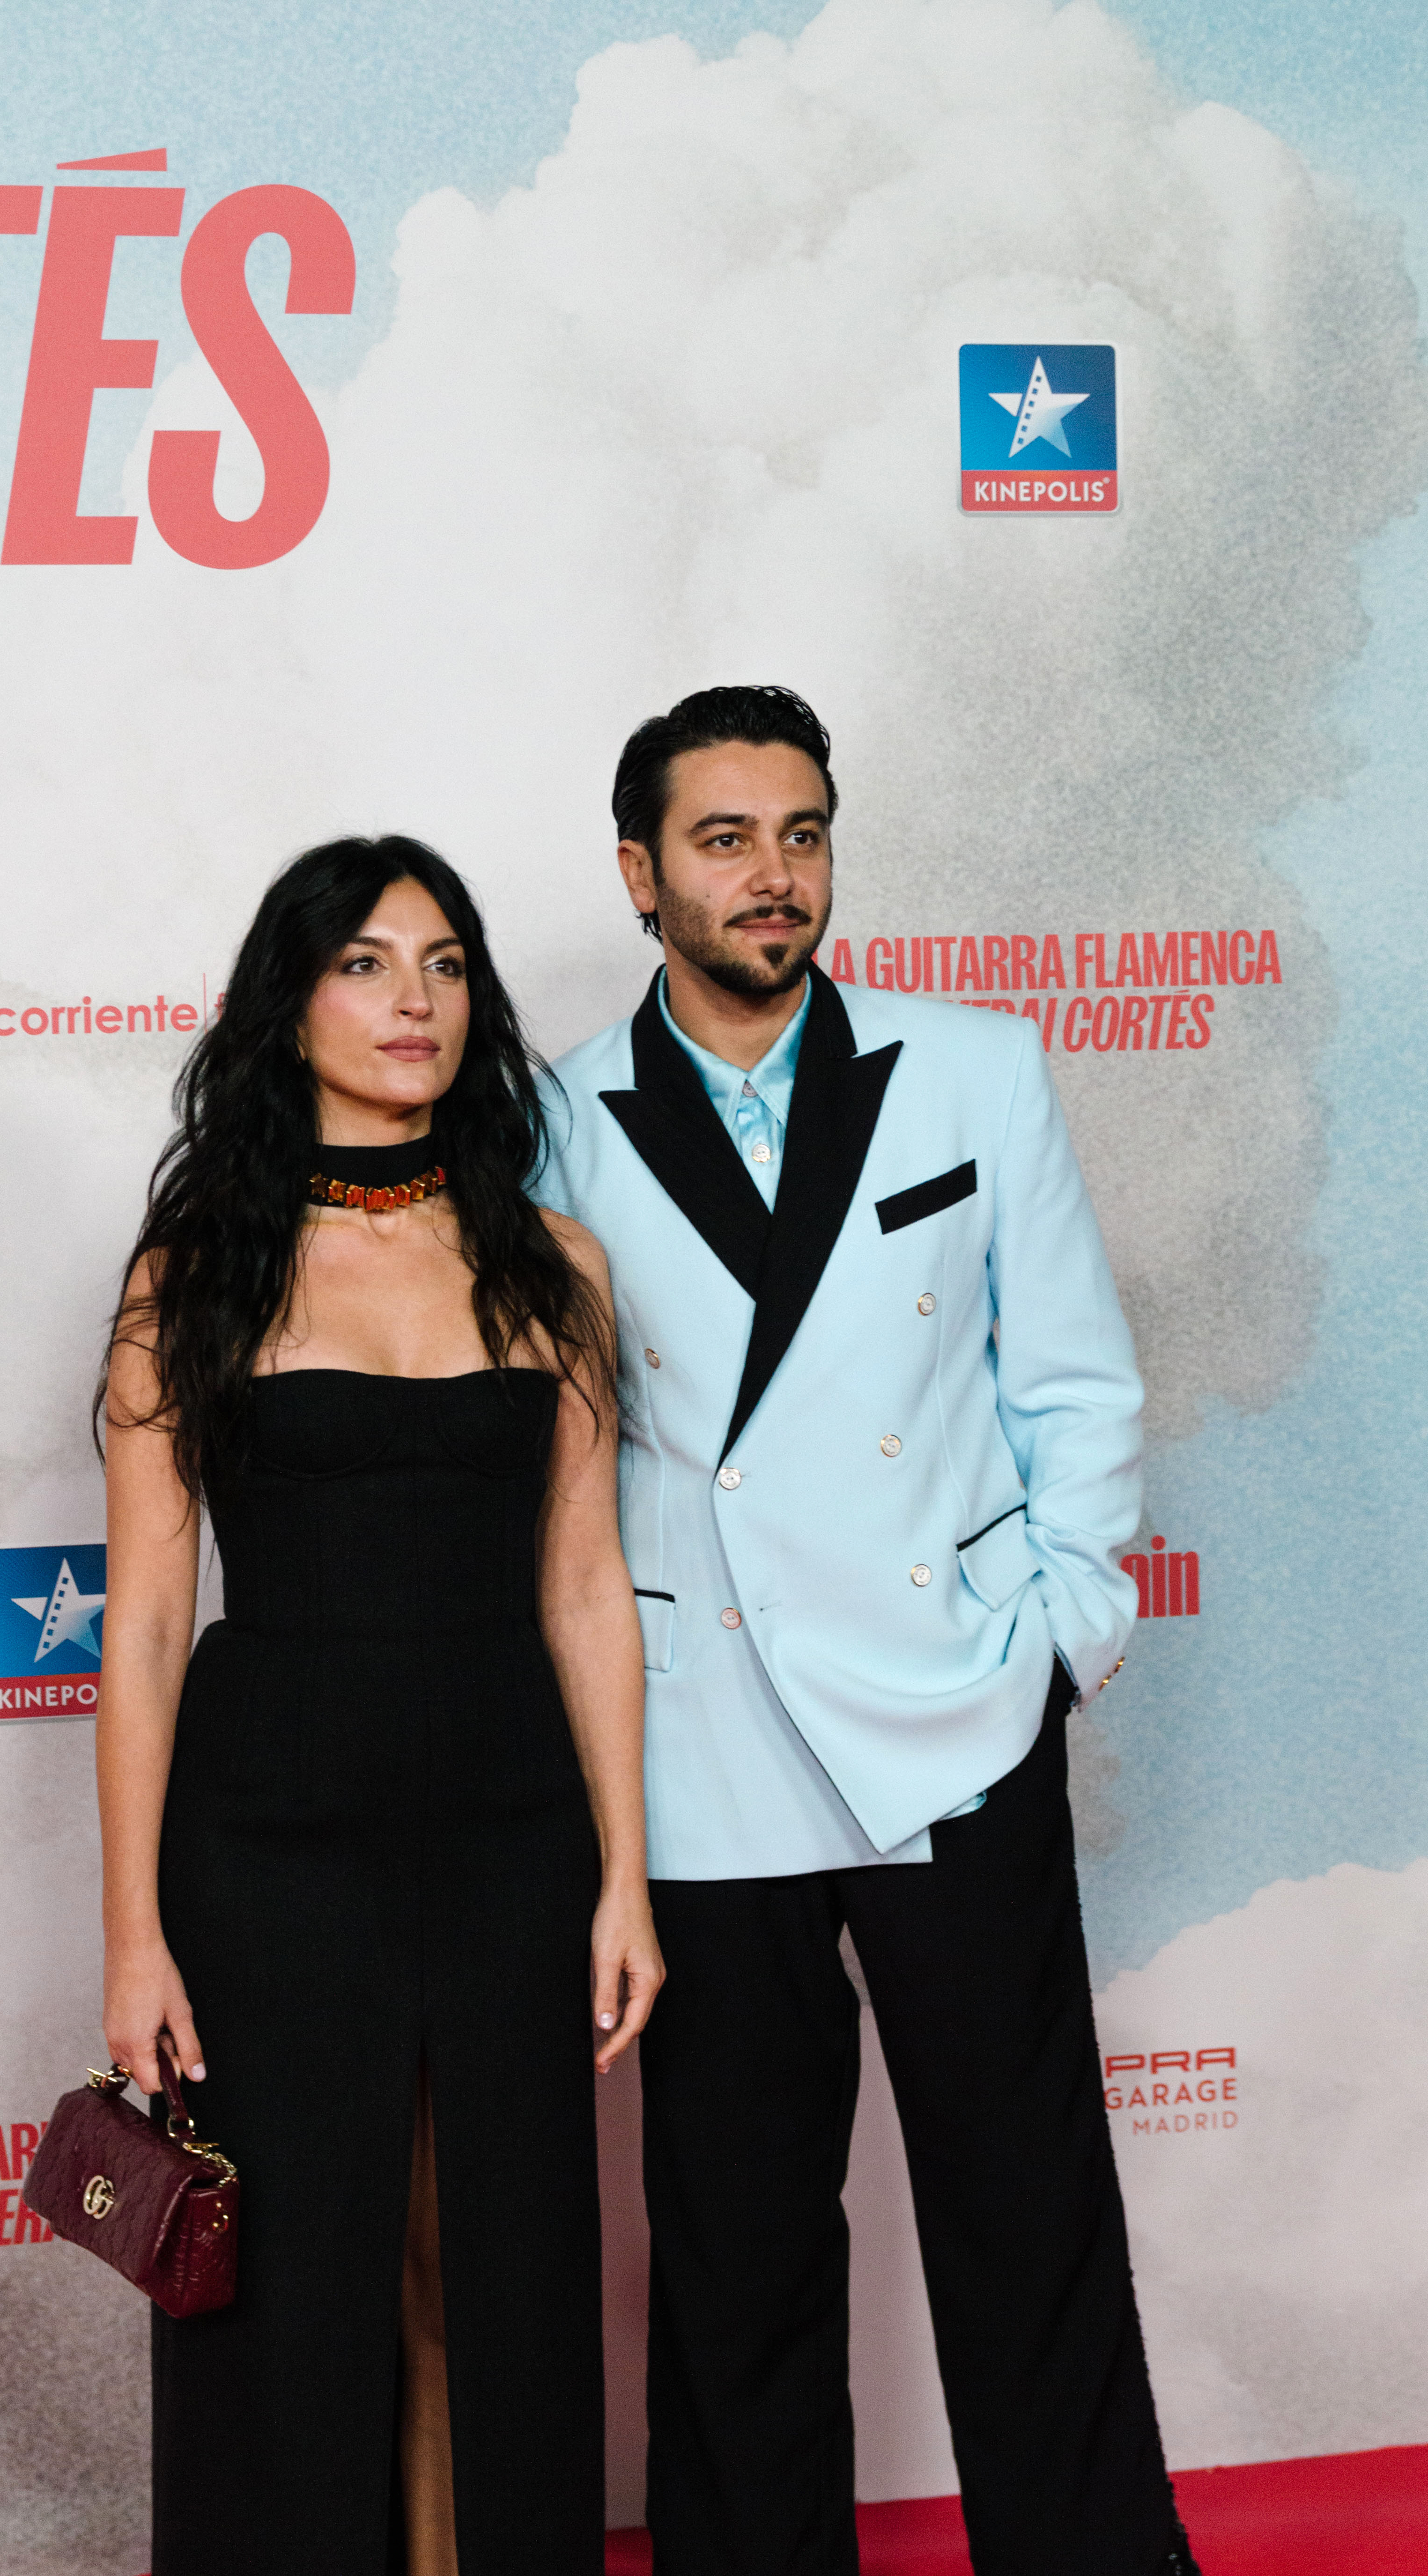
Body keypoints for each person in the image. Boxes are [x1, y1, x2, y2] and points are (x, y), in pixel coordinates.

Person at [536, 686, 1200, 2576]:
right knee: (736, 2245)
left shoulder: (972, 1069)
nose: (774, 874)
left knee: (1028, 2210)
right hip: (704, 1738)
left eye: (802, 832)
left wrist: (1057, 1635)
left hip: (955, 1705)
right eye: (724, 839)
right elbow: (551, 1456)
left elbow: (1072, 1379)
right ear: (640, 872)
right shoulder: (553, 1121)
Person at [94, 835, 663, 2576]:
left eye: (444, 963)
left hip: (510, 1838)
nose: (413, 1000)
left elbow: (587, 1588)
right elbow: (144, 1624)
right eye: (363, 962)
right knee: (290, 2282)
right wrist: (133, 1938)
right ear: (290, 1005)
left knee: (501, 2272)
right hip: (269, 1852)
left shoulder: (554, 1263)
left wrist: (623, 1879)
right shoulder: (193, 1272)